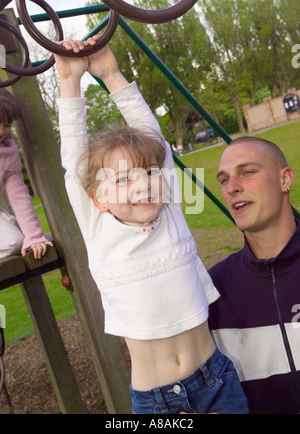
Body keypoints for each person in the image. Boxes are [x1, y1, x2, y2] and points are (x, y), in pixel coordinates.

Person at [54, 36, 249, 414]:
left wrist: (111, 74)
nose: (141, 184)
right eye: (123, 179)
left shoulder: (169, 212)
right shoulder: (100, 231)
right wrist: (69, 81)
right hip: (157, 402)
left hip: (217, 384)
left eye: (148, 173)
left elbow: (155, 139)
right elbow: (74, 161)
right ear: (97, 197)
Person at [208, 136, 300, 414]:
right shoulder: (212, 291)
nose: (232, 187)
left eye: (247, 172)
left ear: (285, 179)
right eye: (224, 180)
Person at [0, 95, 52, 260]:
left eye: (7, 125)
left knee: (15, 242)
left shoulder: (7, 152)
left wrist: (33, 236)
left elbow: (19, 196)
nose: (2, 131)